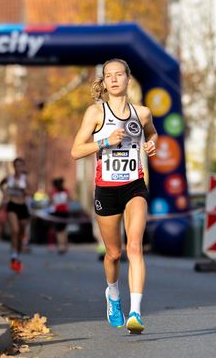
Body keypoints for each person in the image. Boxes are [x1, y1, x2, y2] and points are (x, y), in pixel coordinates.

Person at [70, 58, 157, 334]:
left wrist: (153, 142)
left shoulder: (142, 113)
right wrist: (106, 141)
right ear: (105, 82)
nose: (115, 79)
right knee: (114, 253)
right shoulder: (96, 113)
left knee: (135, 247)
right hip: (106, 189)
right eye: (109, 76)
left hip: (134, 185)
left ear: (128, 79)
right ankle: (113, 294)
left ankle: (136, 312)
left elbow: (152, 133)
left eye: (120, 74)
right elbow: (76, 151)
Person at [0, 158, 31, 273]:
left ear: (23, 167)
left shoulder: (25, 179)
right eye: (16, 165)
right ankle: (13, 254)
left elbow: (31, 192)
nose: (18, 168)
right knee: (15, 230)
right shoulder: (9, 178)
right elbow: (1, 185)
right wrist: (5, 194)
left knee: (21, 232)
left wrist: (23, 190)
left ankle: (17, 252)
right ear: (14, 167)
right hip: (12, 205)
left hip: (22, 206)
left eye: (20, 165)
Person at [49, 177, 70, 254]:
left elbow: (51, 202)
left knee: (59, 230)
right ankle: (64, 245)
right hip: (64, 212)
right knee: (63, 229)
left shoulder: (53, 192)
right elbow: (67, 201)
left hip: (58, 212)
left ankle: (61, 246)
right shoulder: (66, 191)